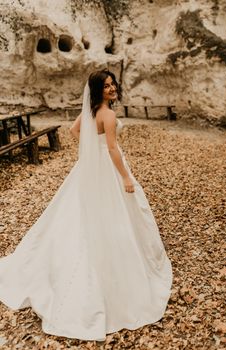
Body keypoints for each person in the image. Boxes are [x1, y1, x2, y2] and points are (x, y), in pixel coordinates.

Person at [0, 69, 172, 341]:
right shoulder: (109, 115)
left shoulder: (91, 111)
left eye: (112, 83)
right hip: (108, 167)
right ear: (97, 90)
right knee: (115, 213)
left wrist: (93, 150)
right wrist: (126, 177)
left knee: (80, 214)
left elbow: (74, 129)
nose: (112, 88)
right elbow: (114, 149)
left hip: (91, 167)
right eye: (106, 86)